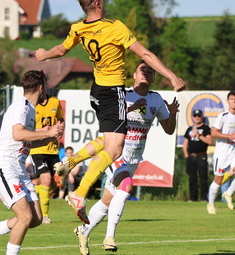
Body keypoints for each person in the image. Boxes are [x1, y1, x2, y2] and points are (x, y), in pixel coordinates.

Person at [35, 0, 185, 223]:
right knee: (115, 149)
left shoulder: (78, 28)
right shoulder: (115, 28)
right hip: (112, 91)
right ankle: (80, 194)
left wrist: (43, 55)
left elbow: (62, 50)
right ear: (98, 3)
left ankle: (70, 162)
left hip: (95, 92)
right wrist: (172, 76)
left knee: (109, 139)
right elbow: (145, 54)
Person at [71, 61, 179, 254]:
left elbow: (169, 130)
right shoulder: (124, 96)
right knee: (126, 187)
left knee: (107, 201)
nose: (145, 73)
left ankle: (84, 231)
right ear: (134, 75)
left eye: (150, 71)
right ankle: (109, 236)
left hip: (134, 158)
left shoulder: (156, 99)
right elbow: (109, 118)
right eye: (142, 70)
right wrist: (131, 108)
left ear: (154, 78)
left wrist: (171, 114)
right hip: (115, 151)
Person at [0, 70, 64, 255]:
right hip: (4, 167)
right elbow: (18, 134)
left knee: (35, 219)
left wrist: (52, 136)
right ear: (41, 88)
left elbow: (28, 141)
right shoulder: (22, 106)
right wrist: (47, 133)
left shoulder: (30, 109)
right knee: (25, 217)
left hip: (18, 169)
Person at [207, 90, 235, 215]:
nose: (234, 101)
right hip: (222, 153)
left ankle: (228, 194)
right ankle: (211, 204)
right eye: (232, 99)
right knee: (218, 180)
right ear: (228, 101)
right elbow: (213, 132)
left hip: (234, 151)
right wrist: (229, 136)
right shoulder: (223, 116)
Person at [30, 94, 65, 224]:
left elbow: (61, 119)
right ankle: (44, 216)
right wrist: (43, 131)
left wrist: (60, 130)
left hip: (53, 149)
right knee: (46, 178)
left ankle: (35, 191)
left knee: (57, 182)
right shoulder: (31, 105)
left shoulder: (54, 102)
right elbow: (27, 129)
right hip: (37, 148)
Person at [182, 109, 212, 202]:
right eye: (195, 116)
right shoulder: (189, 129)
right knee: (192, 178)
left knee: (203, 178)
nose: (197, 118)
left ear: (202, 117)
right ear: (192, 117)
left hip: (201, 156)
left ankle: (204, 198)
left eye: (199, 116)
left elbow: (210, 141)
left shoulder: (206, 128)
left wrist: (199, 135)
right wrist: (186, 155)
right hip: (191, 156)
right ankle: (192, 198)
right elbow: (185, 143)